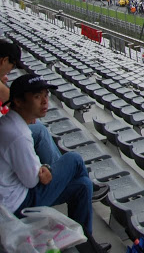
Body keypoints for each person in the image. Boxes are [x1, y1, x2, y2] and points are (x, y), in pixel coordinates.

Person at [0, 74, 110, 252]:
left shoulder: (12, 125)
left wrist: (44, 168)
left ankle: (87, 246)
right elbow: (32, 181)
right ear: (18, 102)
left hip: (15, 197)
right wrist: (46, 169)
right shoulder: (17, 134)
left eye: (45, 95)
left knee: (82, 185)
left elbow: (34, 170)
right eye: (37, 97)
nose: (44, 101)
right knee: (74, 159)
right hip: (18, 204)